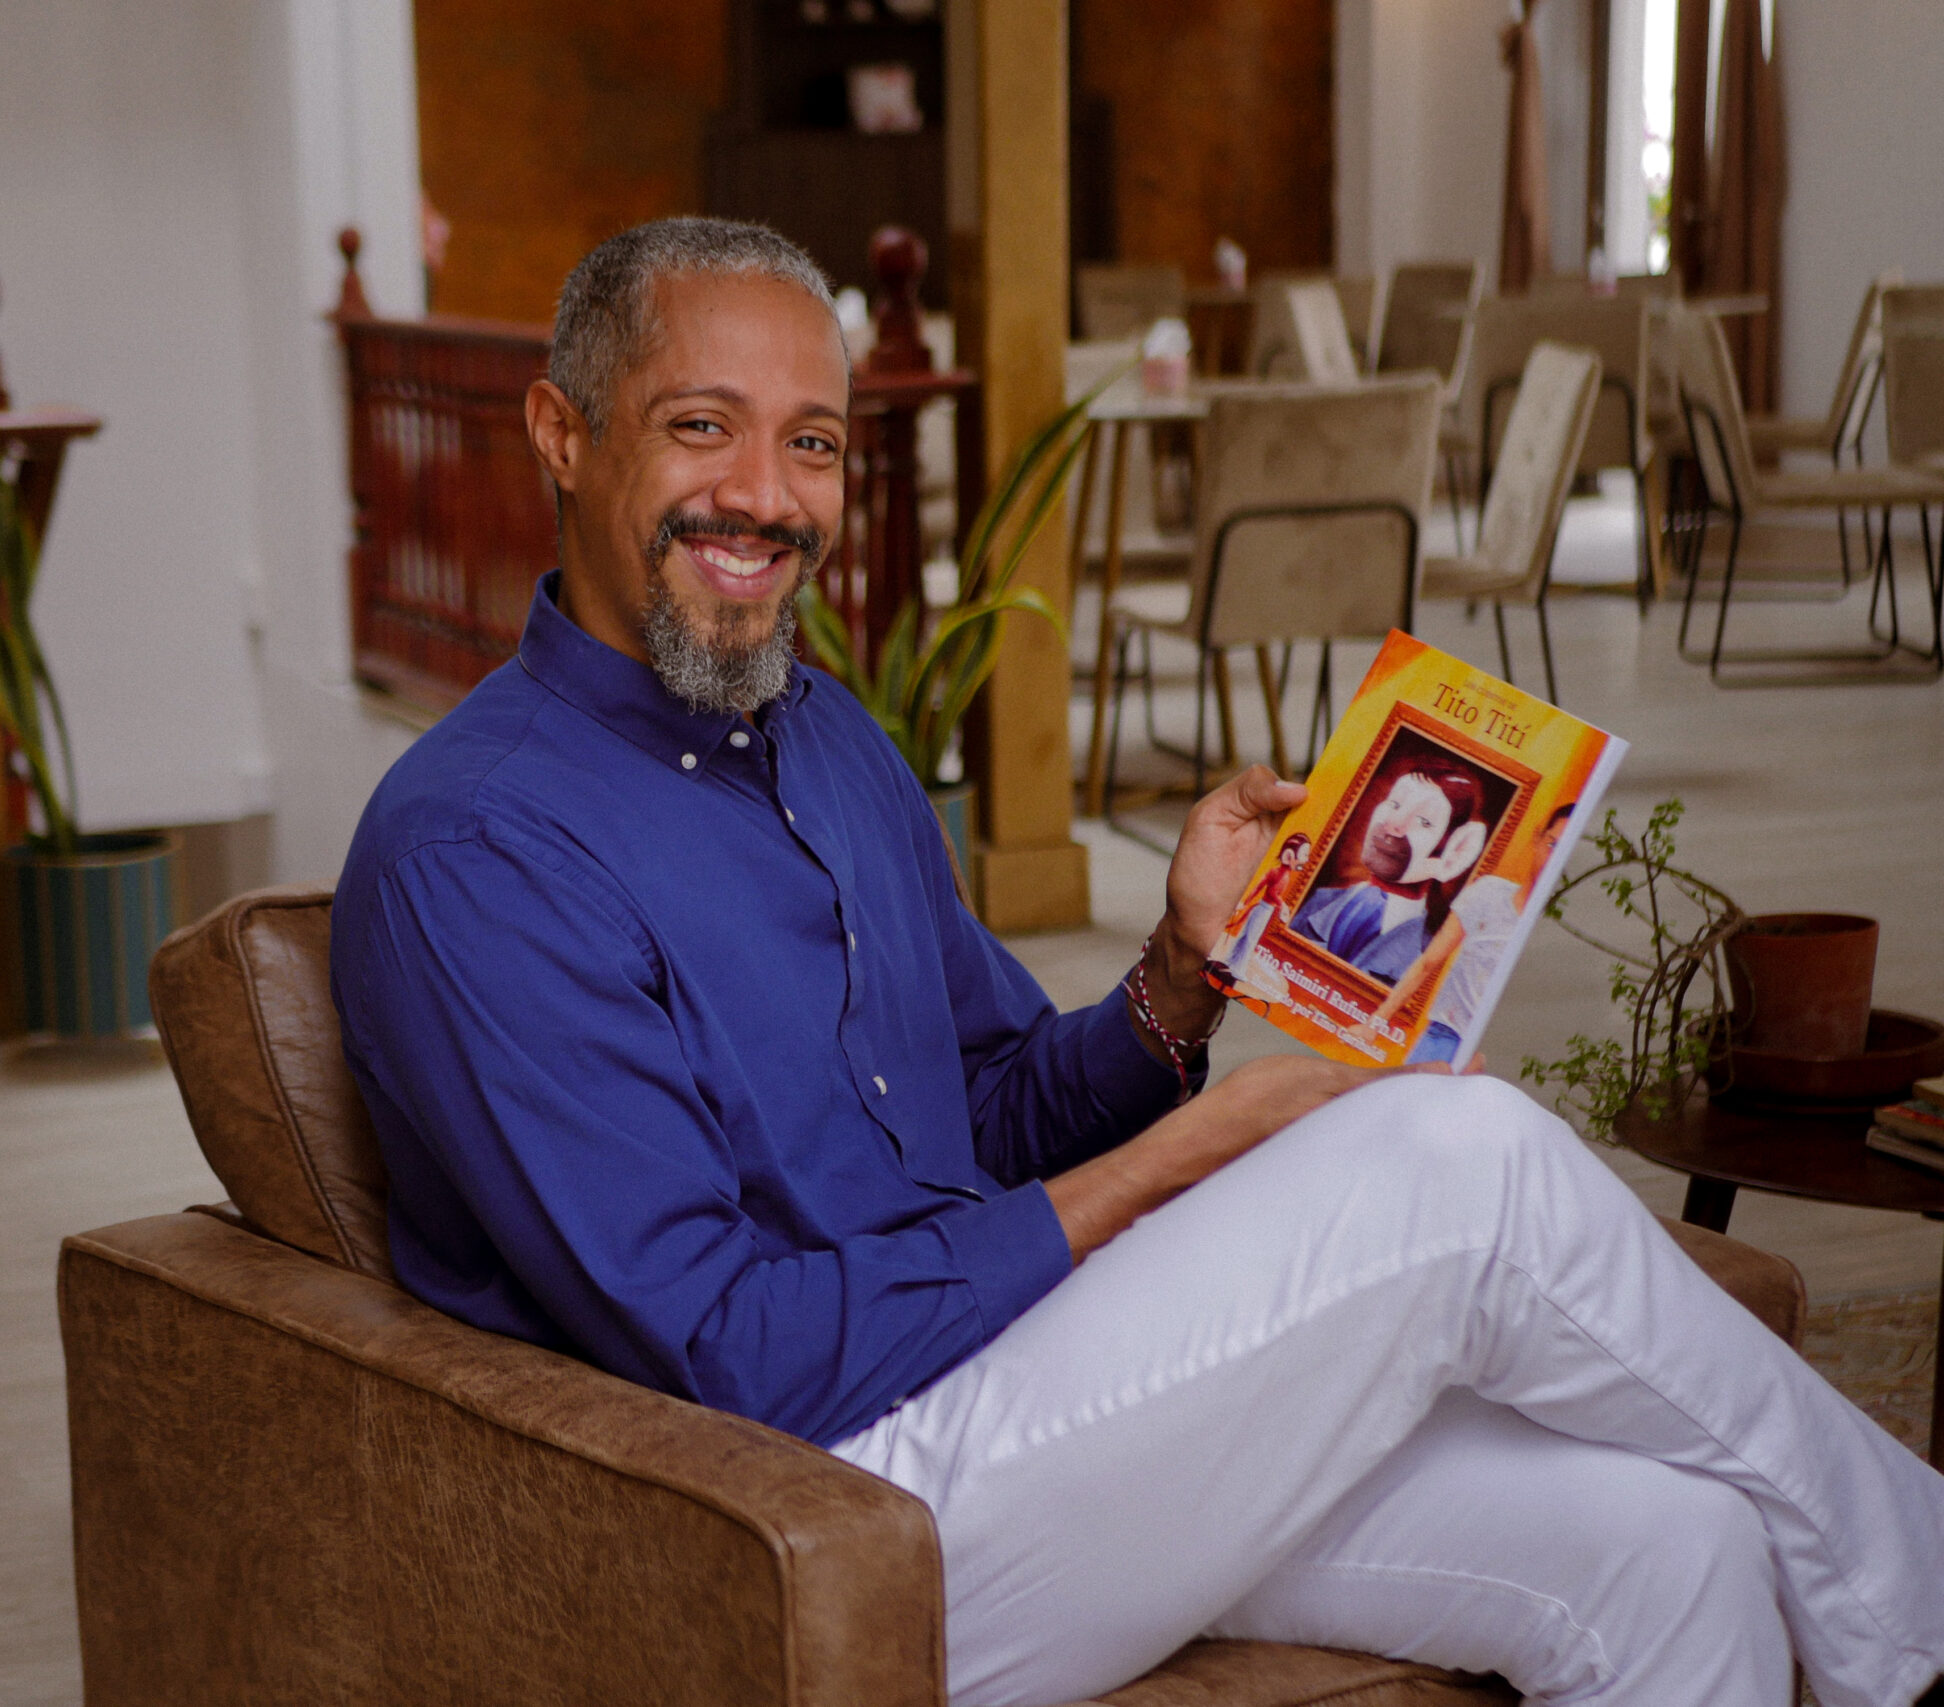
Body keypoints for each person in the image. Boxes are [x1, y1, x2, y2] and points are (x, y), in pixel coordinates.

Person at [329, 218, 1944, 1707]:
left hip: (1027, 1394)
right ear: (562, 433)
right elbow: (735, 1356)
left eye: (810, 442)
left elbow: (993, 1104)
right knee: (1465, 1161)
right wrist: (1186, 1157)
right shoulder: (479, 851)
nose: (766, 493)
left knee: (1675, 1549)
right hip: (817, 1508)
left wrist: (1181, 969)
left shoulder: (827, 740)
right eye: (703, 427)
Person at [1343, 802, 1576, 1066]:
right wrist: (1374, 1024)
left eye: (1565, 851)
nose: (1554, 858)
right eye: (1552, 844)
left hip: (1502, 1052)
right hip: (1444, 1037)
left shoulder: (1558, 930)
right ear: (1537, 838)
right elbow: (1428, 962)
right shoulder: (1488, 893)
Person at [1289, 760, 1492, 984]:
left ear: (1455, 855)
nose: (1393, 823)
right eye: (1394, 804)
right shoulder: (1316, 904)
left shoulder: (1430, 961)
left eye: (1424, 821)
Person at [1208, 830, 1309, 996]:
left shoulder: (1281, 874)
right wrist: (1280, 905)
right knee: (1250, 939)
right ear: (1290, 856)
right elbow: (1270, 893)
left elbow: (1260, 888)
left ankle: (1232, 960)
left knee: (1246, 935)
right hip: (1263, 909)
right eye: (1304, 854)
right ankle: (1237, 967)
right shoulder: (1280, 874)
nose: (1306, 859)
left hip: (1264, 910)